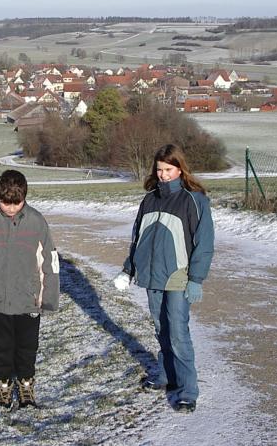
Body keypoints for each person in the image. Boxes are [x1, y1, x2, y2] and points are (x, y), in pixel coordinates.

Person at [114, 143, 215, 412]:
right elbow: (138, 239)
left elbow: (204, 243)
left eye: (168, 169)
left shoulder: (194, 200)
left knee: (178, 333)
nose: (163, 175)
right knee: (161, 329)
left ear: (180, 169)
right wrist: (128, 269)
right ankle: (166, 374)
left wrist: (196, 278)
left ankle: (187, 389)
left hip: (179, 277)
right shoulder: (149, 200)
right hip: (152, 275)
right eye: (159, 170)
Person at [0, 169, 60, 411]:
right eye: (6, 203)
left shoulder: (37, 221)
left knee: (27, 347)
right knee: (0, 348)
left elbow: (50, 261)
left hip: (29, 300)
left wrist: (48, 299)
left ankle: (26, 384)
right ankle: (3, 386)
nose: (12, 208)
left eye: (17, 203)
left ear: (25, 198)